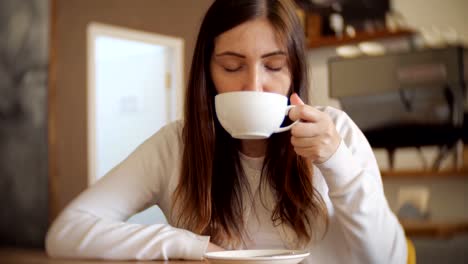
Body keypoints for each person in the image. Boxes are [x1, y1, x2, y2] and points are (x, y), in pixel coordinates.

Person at [46, 0, 407, 263]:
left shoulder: (336, 132)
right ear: (207, 74)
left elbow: (388, 258)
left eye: (274, 66)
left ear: (294, 72)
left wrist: (337, 162)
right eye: (232, 67)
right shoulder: (177, 146)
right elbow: (67, 232)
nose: (254, 84)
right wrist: (187, 245)